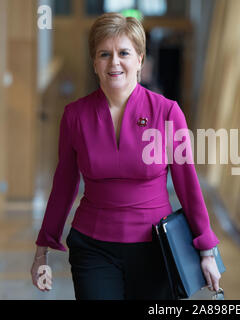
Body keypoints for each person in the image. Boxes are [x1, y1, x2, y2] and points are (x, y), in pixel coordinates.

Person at [30, 12, 221, 300]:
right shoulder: (75, 116)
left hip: (157, 249)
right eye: (104, 54)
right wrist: (43, 248)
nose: (114, 62)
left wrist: (206, 249)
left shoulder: (168, 112)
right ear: (94, 63)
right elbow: (64, 184)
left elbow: (188, 185)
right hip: (93, 248)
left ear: (140, 60)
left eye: (123, 53)